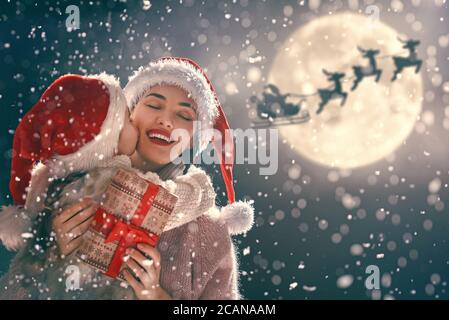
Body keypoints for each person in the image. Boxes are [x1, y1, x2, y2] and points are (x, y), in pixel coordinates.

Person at [0, 57, 254, 300]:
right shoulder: (65, 191)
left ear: (195, 138)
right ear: (128, 113)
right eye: (154, 105)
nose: (166, 120)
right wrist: (50, 256)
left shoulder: (209, 230)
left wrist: (158, 297)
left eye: (185, 116)